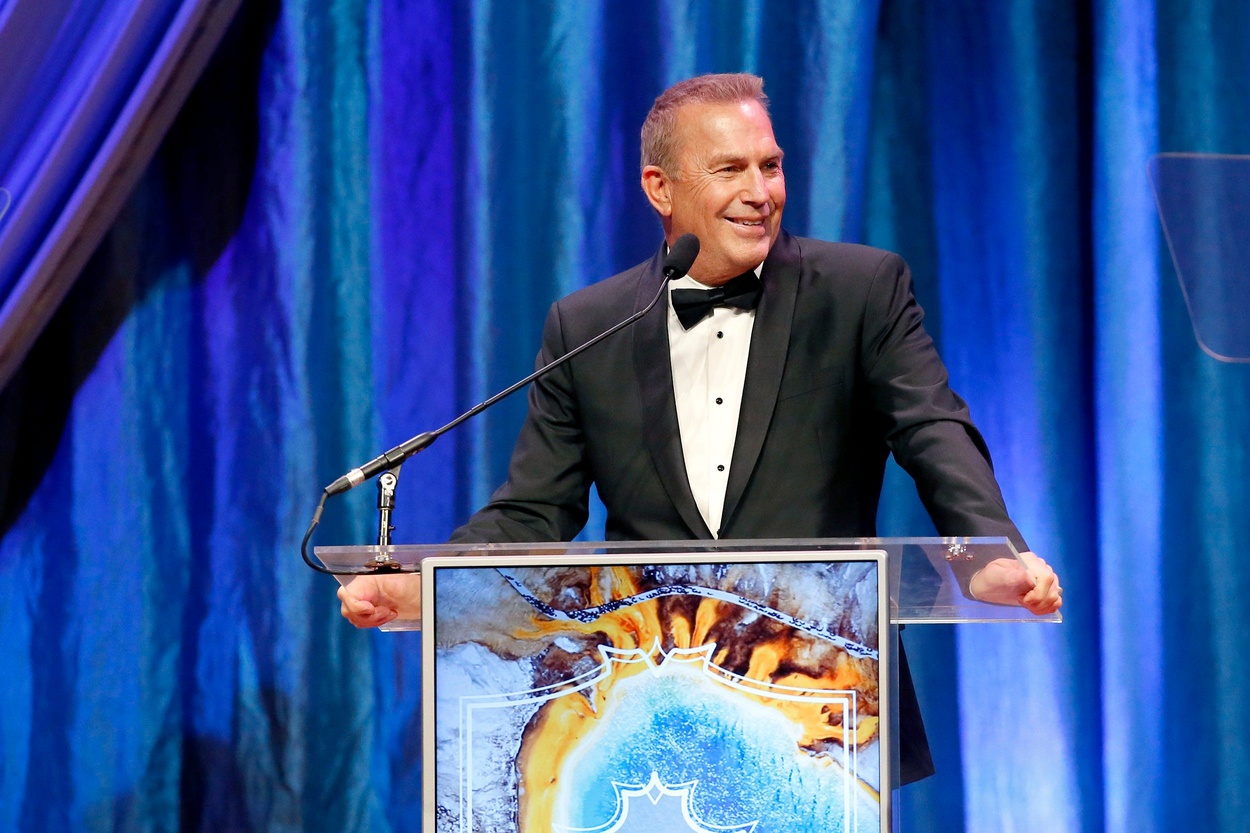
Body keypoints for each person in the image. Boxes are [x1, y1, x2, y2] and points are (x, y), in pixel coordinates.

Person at [338, 73, 1062, 783]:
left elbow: (932, 425)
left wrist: (985, 553)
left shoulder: (860, 290)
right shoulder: (589, 325)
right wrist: (438, 588)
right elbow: (535, 507)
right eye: (730, 169)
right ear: (660, 188)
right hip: (650, 709)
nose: (760, 191)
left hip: (828, 704)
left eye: (770, 166)